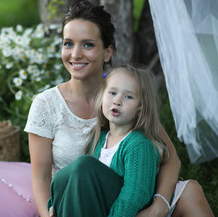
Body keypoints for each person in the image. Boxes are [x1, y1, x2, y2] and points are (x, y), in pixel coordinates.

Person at [25, 0, 213, 217]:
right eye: (68, 44)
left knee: (190, 191)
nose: (75, 54)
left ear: (107, 52)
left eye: (88, 45)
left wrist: (159, 205)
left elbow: (171, 159)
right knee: (81, 169)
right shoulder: (46, 104)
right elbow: (40, 177)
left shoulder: (121, 94)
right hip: (77, 203)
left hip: (128, 196)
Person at [48, 64, 168, 216]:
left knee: (84, 165)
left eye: (128, 96)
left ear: (140, 108)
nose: (117, 101)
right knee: (63, 175)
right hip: (96, 207)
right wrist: (55, 203)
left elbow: (134, 196)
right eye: (112, 93)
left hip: (121, 213)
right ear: (102, 97)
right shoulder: (100, 139)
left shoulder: (138, 145)